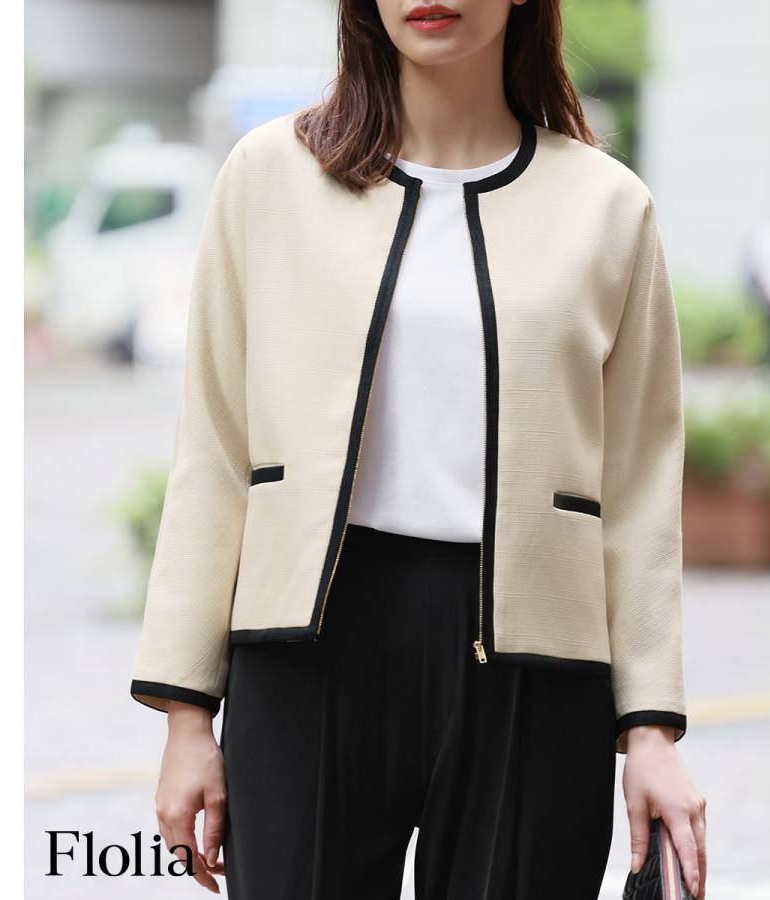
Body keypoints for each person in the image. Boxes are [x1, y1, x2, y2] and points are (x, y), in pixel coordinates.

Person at [129, 2, 708, 898]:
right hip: (305, 651)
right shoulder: (267, 177)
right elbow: (213, 445)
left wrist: (651, 731)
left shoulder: (608, 205)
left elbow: (638, 486)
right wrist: (185, 714)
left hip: (534, 666)